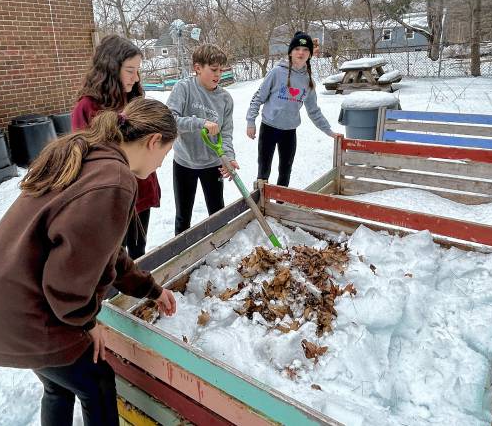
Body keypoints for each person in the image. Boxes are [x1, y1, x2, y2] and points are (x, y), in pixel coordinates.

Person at [0, 98, 178, 426]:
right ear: (153, 142)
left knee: (58, 385)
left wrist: (150, 289)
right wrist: (86, 324)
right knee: (98, 382)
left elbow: (101, 252)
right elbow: (66, 282)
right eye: (165, 154)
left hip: (1, 304)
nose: (162, 165)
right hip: (29, 314)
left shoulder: (93, 153)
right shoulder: (114, 180)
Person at [71, 35, 159, 259]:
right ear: (111, 67)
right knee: (112, 256)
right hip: (110, 195)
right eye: (130, 70)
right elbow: (82, 156)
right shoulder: (88, 107)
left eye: (138, 70)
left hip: (140, 188)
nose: (136, 77)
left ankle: (137, 292)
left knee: (138, 250)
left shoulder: (134, 98)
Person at [246, 31, 336, 187]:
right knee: (263, 169)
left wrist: (329, 131)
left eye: (305, 49)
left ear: (309, 54)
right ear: (290, 52)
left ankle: (280, 205)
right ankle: (262, 204)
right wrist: (250, 121)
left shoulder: (308, 81)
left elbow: (314, 111)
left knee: (285, 170)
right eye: (297, 49)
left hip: (289, 131)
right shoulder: (276, 72)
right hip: (269, 127)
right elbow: (258, 97)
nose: (301, 53)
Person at [166, 44, 238, 235]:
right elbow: (169, 120)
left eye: (221, 70)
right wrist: (200, 123)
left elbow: (227, 133)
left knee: (217, 213)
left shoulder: (225, 99)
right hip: (184, 162)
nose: (218, 75)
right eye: (214, 70)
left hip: (212, 164)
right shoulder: (183, 88)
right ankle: (180, 255)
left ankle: (221, 250)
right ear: (197, 68)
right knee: (183, 216)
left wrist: (228, 157)